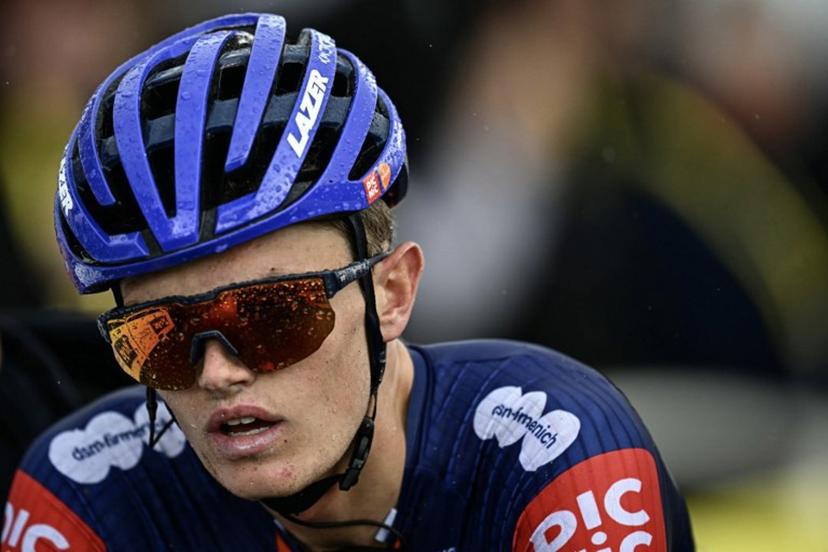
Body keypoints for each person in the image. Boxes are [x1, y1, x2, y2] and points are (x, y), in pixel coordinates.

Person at [3, 13, 694, 551]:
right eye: (160, 336)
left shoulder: (557, 459)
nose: (217, 372)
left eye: (274, 315)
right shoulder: (84, 491)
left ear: (392, 292)